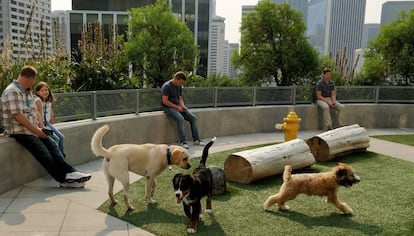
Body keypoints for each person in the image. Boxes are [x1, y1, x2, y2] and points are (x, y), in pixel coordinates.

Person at [0, 65, 91, 188]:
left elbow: (34, 112)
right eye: (34, 80)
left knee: (53, 145)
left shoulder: (26, 91)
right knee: (44, 154)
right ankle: (64, 179)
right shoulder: (12, 91)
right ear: (30, 78)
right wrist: (37, 131)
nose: (33, 84)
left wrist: (41, 128)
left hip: (32, 129)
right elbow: (18, 115)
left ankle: (71, 173)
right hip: (19, 131)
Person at [161, 71, 204, 149]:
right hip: (168, 108)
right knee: (180, 119)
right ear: (176, 79)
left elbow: (180, 98)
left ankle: (196, 140)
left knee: (193, 118)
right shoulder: (166, 86)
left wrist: (183, 106)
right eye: (180, 82)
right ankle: (183, 141)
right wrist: (177, 108)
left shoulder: (179, 87)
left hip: (178, 107)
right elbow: (165, 101)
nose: (181, 85)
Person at [35, 82, 65, 156]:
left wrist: (53, 123)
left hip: (47, 123)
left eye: (46, 90)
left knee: (61, 137)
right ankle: (58, 157)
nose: (45, 92)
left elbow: (50, 114)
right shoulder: (38, 101)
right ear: (37, 92)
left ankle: (61, 156)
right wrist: (43, 128)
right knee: (56, 139)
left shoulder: (48, 100)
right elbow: (38, 117)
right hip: (41, 125)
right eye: (42, 90)